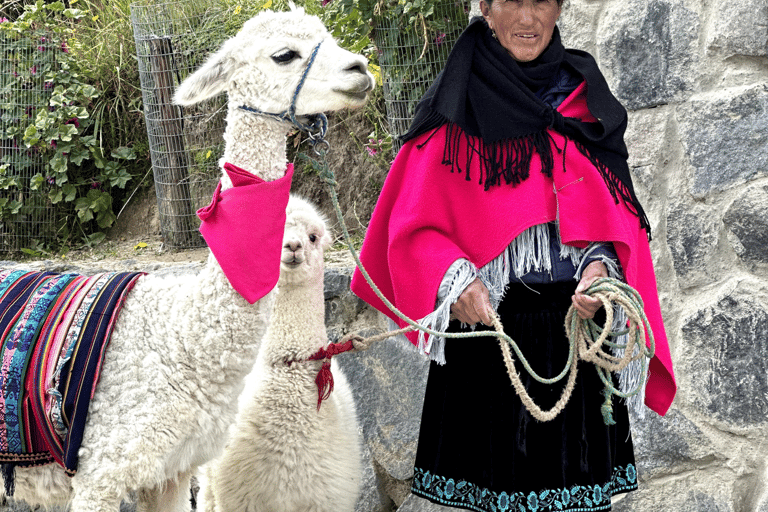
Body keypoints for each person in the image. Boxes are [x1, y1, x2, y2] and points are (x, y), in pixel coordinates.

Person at [351, 0, 677, 510]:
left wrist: (599, 266)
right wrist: (454, 279)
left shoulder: (582, 99)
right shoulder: (458, 101)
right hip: (486, 337)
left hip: (572, 334)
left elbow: (612, 211)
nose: (528, 18)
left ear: (560, 8)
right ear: (486, 7)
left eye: (542, 1)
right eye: (513, 2)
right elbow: (410, 222)